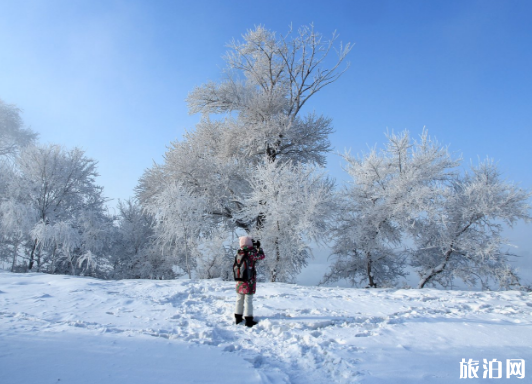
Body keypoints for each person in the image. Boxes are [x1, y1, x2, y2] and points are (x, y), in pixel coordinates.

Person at [234, 236, 265, 327]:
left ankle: (238, 318)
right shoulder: (251, 253)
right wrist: (259, 248)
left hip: (240, 280)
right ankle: (248, 319)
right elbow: (261, 256)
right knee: (248, 300)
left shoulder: (239, 252)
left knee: (239, 299)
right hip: (249, 280)